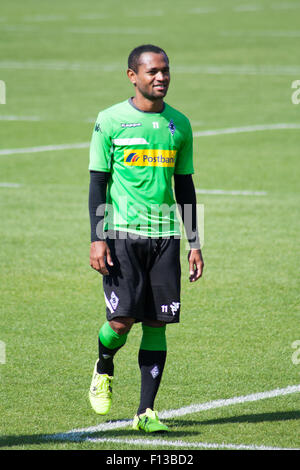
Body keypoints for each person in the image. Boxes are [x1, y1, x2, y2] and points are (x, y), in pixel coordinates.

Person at [88, 44, 204, 433]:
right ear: (132, 76)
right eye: (153, 71)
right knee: (121, 322)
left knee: (157, 322)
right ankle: (104, 365)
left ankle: (145, 412)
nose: (161, 77)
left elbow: (185, 185)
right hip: (121, 235)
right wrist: (97, 238)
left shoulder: (180, 124)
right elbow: (98, 183)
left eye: (165, 70)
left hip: (165, 236)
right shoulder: (110, 121)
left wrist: (194, 242)